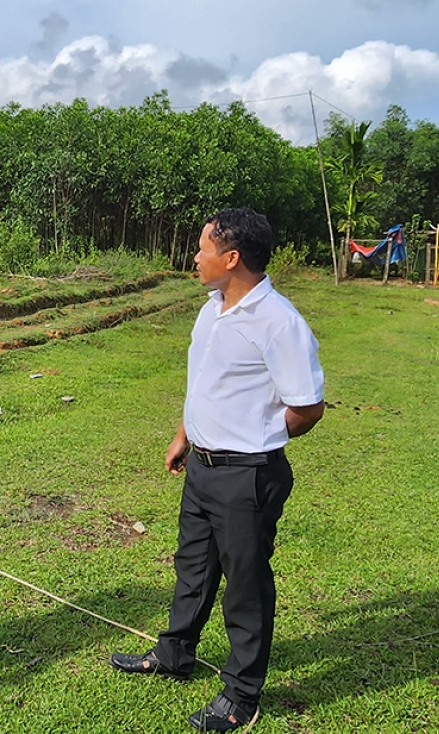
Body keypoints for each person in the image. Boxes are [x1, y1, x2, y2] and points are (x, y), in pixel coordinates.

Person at [110, 208, 324, 731]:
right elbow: (204, 382)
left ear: (231, 258)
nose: (195, 258)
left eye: (203, 249)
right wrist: (187, 436)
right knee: (194, 567)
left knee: (245, 584)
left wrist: (254, 442)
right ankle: (175, 652)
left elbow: (307, 407)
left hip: (247, 475)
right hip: (202, 467)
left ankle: (241, 695)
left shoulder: (279, 323)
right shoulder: (211, 308)